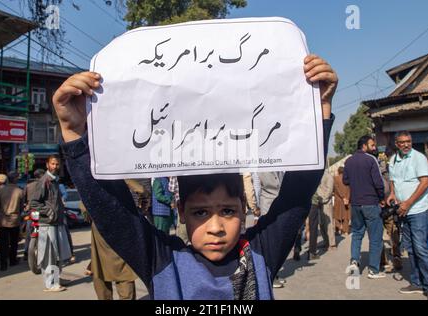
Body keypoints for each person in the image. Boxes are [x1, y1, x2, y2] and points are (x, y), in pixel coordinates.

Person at [53, 54, 337, 299]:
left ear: (243, 206)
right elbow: (112, 212)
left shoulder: (260, 254)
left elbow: (297, 193)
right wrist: (75, 134)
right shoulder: (162, 260)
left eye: (228, 210)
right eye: (200, 212)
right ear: (181, 212)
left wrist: (319, 113)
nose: (216, 227)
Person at [387, 131, 428, 295]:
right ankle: (417, 282)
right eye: (402, 142)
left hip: (418, 210)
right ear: (397, 144)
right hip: (403, 211)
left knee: (421, 249)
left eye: (408, 141)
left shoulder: (418, 158)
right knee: (410, 249)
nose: (406, 144)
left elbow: (425, 182)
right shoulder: (393, 160)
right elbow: (393, 180)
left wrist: (408, 203)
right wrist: (392, 194)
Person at [343, 135, 386, 279]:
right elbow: (379, 183)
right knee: (375, 237)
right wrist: (381, 198)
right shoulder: (371, 159)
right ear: (364, 146)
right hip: (371, 203)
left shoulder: (348, 161)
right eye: (372, 145)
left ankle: (354, 261)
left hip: (356, 204)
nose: (374, 148)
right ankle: (373, 270)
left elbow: (345, 180)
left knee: (357, 234)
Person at [30, 155, 71, 292]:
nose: (55, 166)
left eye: (57, 164)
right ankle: (50, 283)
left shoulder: (55, 181)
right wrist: (49, 211)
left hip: (57, 223)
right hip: (47, 225)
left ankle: (57, 279)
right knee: (49, 255)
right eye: (53, 164)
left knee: (58, 254)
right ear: (47, 165)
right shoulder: (44, 181)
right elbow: (34, 203)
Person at [90, 220, 138, 300]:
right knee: (123, 270)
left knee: (101, 268)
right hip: (120, 222)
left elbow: (85, 211)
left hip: (102, 223)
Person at [0, 172, 24, 271]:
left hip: (3, 221)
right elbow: (21, 207)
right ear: (15, 179)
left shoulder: (1, 191)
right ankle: (13, 260)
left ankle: (3, 264)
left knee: (3, 244)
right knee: (14, 242)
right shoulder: (19, 191)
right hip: (15, 220)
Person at [307, 169, 336, 260]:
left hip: (325, 202)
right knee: (321, 224)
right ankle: (326, 241)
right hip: (317, 202)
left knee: (329, 223)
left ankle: (332, 243)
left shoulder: (328, 176)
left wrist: (324, 199)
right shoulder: (317, 175)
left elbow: (330, 189)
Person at [22, 169, 45, 260]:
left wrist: (26, 206)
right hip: (43, 212)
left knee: (29, 231)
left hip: (32, 211)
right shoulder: (45, 185)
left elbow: (24, 200)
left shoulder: (28, 186)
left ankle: (26, 251)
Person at [333, 166, 350, 235]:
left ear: (338, 171)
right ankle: (345, 231)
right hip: (347, 199)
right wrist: (347, 198)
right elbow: (350, 189)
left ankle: (337, 230)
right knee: (346, 215)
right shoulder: (348, 179)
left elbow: (336, 189)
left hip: (338, 199)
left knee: (337, 215)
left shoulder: (335, 178)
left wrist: (342, 197)